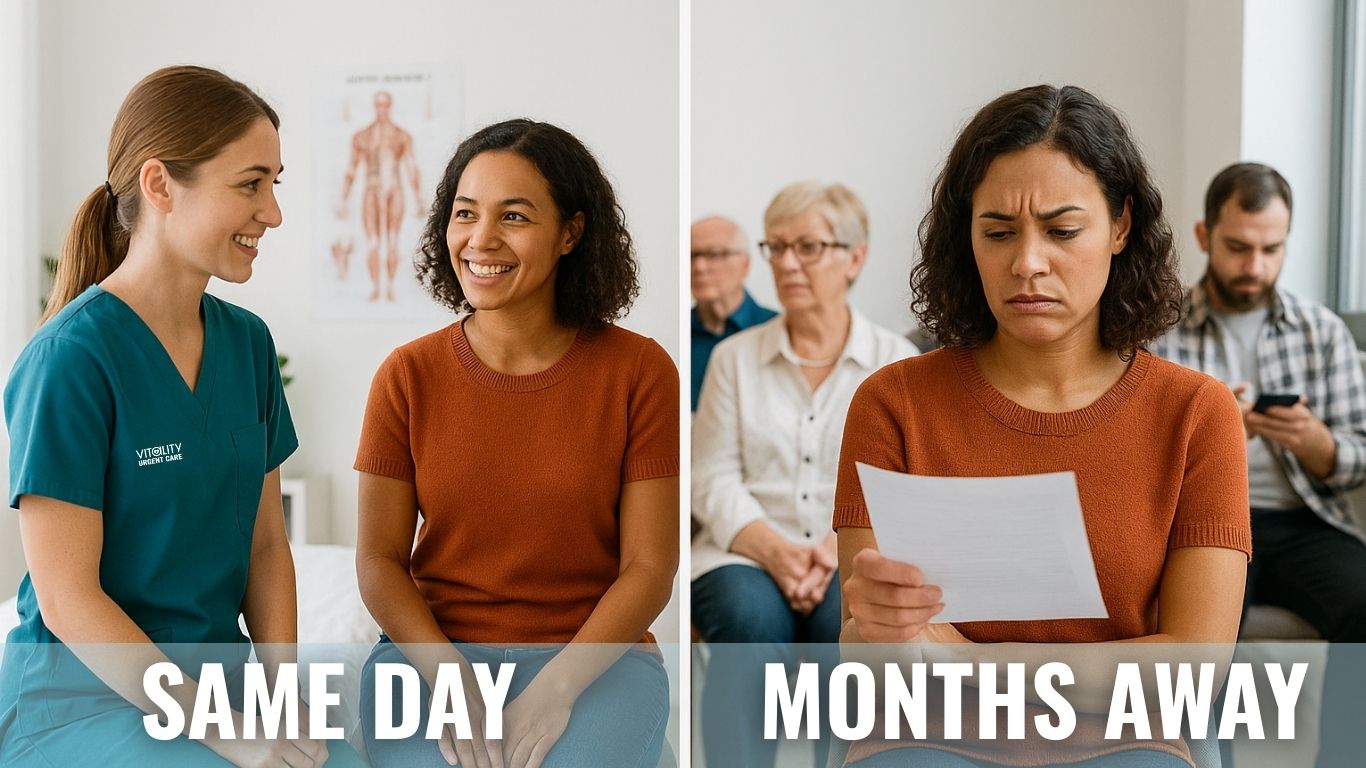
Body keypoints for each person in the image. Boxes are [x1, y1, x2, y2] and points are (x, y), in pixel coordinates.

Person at [834, 85, 1251, 767]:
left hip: (1127, 741)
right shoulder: (892, 402)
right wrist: (883, 635)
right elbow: (874, 653)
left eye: (1061, 231)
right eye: (998, 232)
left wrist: (968, 660)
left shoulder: (1196, 413)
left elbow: (1195, 672)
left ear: (1121, 226)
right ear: (965, 237)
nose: (1026, 263)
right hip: (924, 736)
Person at [1, 66, 361, 767]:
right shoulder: (70, 359)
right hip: (80, 705)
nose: (274, 213)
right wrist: (221, 728)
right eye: (250, 184)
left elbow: (263, 547)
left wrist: (279, 703)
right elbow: (69, 599)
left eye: (274, 184)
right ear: (161, 185)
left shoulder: (248, 344)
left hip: (217, 697)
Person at [355, 118, 679, 768]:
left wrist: (557, 688)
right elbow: (380, 563)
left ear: (571, 232)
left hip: (594, 662)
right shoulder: (406, 375)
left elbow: (649, 569)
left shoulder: (640, 372)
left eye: (515, 216)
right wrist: (449, 678)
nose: (481, 240)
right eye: (465, 213)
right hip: (431, 662)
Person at [691, 181, 916, 768]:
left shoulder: (898, 365)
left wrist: (830, 550)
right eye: (777, 247)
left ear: (855, 257)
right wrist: (777, 552)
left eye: (808, 247)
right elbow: (710, 478)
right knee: (747, 619)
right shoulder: (733, 358)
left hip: (854, 552)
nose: (787, 264)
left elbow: (900, 491)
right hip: (743, 552)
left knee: (845, 626)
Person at [1153, 162, 1366, 767]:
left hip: (1301, 523)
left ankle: (1343, 761)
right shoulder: (1160, 330)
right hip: (1201, 524)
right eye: (1238, 247)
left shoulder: (1320, 331)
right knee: (1206, 632)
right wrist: (1217, 433)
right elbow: (1135, 452)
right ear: (1203, 236)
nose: (1255, 267)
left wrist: (1316, 441)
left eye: (1272, 249)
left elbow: (1357, 456)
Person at [336, 90, 424, 302]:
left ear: (390, 106)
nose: (381, 109)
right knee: (374, 242)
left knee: (393, 240)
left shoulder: (401, 136)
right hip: (371, 190)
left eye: (385, 105)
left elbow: (411, 167)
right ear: (375, 107)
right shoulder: (362, 136)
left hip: (395, 190)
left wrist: (419, 199)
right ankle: (376, 287)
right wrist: (344, 199)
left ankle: (391, 286)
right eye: (378, 105)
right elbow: (351, 169)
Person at [690, 215, 777, 411]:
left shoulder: (777, 329)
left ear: (745, 264)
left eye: (714, 254)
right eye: (692, 256)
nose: (699, 267)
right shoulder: (680, 337)